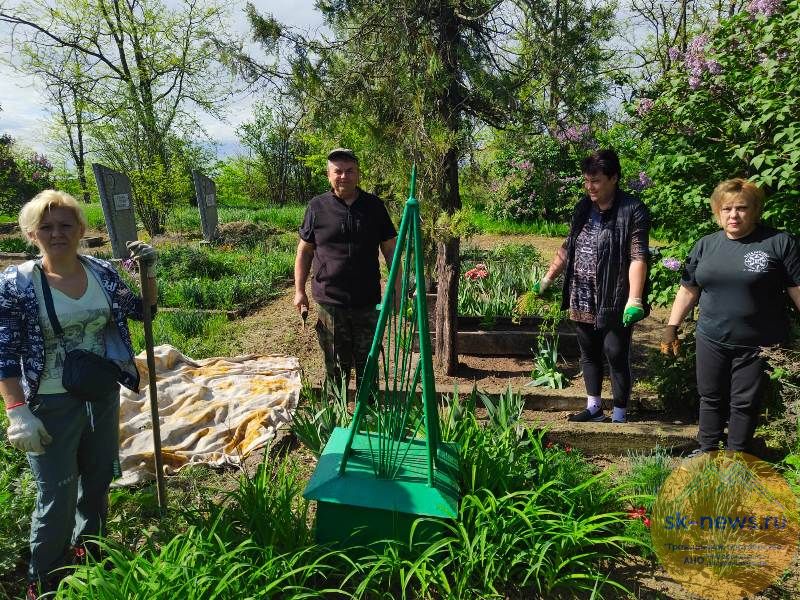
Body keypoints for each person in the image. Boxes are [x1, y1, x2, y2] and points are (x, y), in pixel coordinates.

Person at [0, 190, 157, 599]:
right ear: (32, 234)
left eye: (66, 225)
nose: (57, 233)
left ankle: (92, 551)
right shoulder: (18, 284)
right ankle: (46, 579)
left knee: (99, 476)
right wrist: (17, 410)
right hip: (49, 402)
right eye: (47, 227)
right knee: (58, 490)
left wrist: (149, 271)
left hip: (100, 393)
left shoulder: (101, 272)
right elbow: (3, 351)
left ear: (81, 230)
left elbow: (143, 311)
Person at [662, 179, 800, 454]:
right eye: (726, 209)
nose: (733, 215)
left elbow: (797, 290)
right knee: (710, 396)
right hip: (711, 336)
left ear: (755, 210)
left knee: (744, 401)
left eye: (741, 208)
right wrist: (671, 326)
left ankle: (737, 455)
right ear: (717, 211)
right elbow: (689, 288)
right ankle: (707, 450)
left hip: (759, 343)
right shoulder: (706, 245)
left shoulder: (778, 243)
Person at [534, 149, 650, 423]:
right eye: (586, 181)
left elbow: (638, 256)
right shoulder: (583, 206)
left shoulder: (632, 209)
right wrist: (548, 277)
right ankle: (594, 407)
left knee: (615, 352)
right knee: (588, 353)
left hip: (614, 296)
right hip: (581, 294)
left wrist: (634, 299)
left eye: (595, 181)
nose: (589, 187)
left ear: (614, 178)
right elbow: (568, 245)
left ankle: (620, 414)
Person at [294, 148, 398, 388]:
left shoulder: (373, 206)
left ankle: (369, 414)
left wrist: (397, 287)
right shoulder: (317, 207)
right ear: (329, 175)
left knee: (368, 365)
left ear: (358, 174)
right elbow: (305, 250)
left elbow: (390, 249)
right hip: (330, 303)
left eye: (349, 171)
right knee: (335, 367)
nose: (344, 176)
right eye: (338, 171)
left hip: (366, 301)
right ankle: (338, 413)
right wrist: (299, 290)